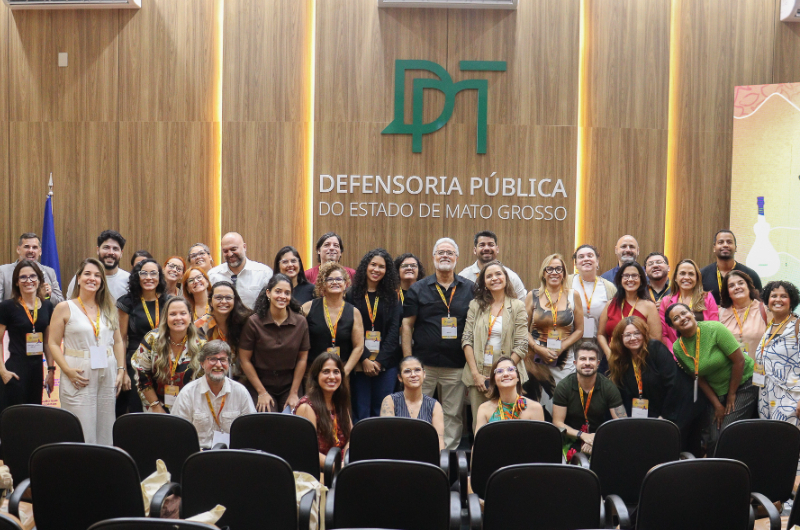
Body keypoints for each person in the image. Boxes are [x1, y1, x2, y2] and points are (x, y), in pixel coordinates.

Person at [402, 238, 475, 450]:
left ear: (457, 258)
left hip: (456, 365)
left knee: (452, 414)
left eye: (449, 252)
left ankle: (447, 455)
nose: (445, 256)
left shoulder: (470, 289)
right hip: (424, 365)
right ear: (434, 257)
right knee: (418, 411)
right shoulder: (418, 289)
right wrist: (409, 361)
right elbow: (407, 326)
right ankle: (420, 452)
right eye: (441, 252)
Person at [48, 258, 128, 445]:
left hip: (107, 371)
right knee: (81, 429)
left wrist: (121, 370)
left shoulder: (109, 307)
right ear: (78, 278)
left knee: (106, 427)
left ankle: (104, 462)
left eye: (97, 276)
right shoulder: (65, 307)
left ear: (102, 281)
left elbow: (118, 341)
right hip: (78, 371)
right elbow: (53, 343)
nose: (92, 278)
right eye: (88, 274)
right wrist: (67, 370)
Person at [608, 316, 707, 455]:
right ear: (620, 338)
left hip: (681, 404)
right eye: (628, 335)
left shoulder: (655, 348)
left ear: (644, 334)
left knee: (671, 446)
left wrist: (664, 417)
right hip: (655, 408)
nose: (633, 338)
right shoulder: (620, 360)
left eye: (637, 333)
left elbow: (674, 384)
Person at [666, 303, 756, 446]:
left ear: (692, 313)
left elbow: (739, 361)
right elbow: (698, 378)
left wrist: (732, 394)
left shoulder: (714, 328)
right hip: (718, 393)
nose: (682, 318)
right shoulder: (678, 347)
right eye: (676, 318)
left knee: (726, 433)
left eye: (684, 313)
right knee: (714, 438)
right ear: (672, 326)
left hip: (744, 384)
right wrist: (717, 405)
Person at [462, 260, 529, 428]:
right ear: (483, 282)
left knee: (510, 424)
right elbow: (467, 339)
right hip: (479, 374)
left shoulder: (517, 306)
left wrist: (504, 371)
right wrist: (475, 374)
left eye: (498, 274)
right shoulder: (476, 305)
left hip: (509, 375)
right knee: (480, 425)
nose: (494, 278)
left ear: (506, 278)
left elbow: (522, 344)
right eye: (489, 276)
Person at [238, 274, 310, 412]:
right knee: (267, 417)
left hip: (290, 384)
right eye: (278, 291)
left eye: (287, 293)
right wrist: (261, 392)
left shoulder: (301, 322)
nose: (282, 296)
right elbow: (244, 360)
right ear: (268, 293)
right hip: (260, 382)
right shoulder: (254, 322)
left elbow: (302, 359)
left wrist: (294, 393)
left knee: (293, 417)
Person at [524, 253, 584, 416]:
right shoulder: (533, 296)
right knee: (538, 402)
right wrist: (537, 348)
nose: (554, 273)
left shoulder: (573, 296)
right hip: (536, 360)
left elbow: (580, 330)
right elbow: (522, 329)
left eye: (559, 269)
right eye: (549, 269)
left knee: (563, 400)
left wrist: (562, 346)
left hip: (563, 359)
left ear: (564, 273)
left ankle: (561, 430)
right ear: (543, 273)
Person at [346, 249, 402, 421]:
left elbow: (394, 331)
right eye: (373, 265)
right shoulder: (351, 294)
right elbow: (348, 329)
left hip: (386, 363)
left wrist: (378, 361)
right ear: (366, 266)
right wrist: (364, 359)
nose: (376, 269)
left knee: (382, 411)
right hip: (359, 362)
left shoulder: (392, 296)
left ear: (387, 270)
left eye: (381, 267)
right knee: (360, 410)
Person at [171, 340, 256, 449]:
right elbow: (177, 434)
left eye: (223, 360)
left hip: (231, 454)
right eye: (212, 359)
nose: (218, 365)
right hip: (199, 454)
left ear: (229, 364)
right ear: (202, 364)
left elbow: (251, 432)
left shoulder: (240, 392)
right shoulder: (187, 393)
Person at [115, 259, 169, 416]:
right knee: (137, 409)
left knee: (163, 408)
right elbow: (121, 339)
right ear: (137, 277)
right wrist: (123, 371)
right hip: (135, 362)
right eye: (144, 273)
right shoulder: (127, 302)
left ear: (159, 277)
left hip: (164, 361)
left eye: (153, 273)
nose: (149, 277)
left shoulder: (168, 301)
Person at [0, 260, 56, 412]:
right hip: (14, 371)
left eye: (32, 276)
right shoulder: (7, 306)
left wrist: (51, 370)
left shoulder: (47, 306)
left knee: (33, 417)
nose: (28, 281)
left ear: (39, 280)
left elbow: (47, 342)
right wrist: (2, 371)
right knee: (13, 418)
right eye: (23, 277)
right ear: (16, 282)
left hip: (37, 371)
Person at [552, 342, 625, 457]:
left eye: (591, 359)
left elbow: (622, 423)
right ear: (575, 363)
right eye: (583, 359)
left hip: (600, 438)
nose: (587, 363)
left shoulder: (609, 387)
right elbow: (557, 423)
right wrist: (583, 435)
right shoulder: (564, 387)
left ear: (598, 363)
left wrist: (595, 438)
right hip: (571, 439)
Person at [133, 298, 205, 413]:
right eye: (172, 314)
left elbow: (203, 382)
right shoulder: (152, 339)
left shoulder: (201, 345)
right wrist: (156, 406)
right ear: (165, 318)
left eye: (183, 313)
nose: (178, 318)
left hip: (190, 407)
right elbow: (142, 374)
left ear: (190, 317)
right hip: (154, 405)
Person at [302, 263, 364, 375]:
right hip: (313, 372)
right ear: (322, 284)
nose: (335, 282)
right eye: (329, 279)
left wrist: (344, 372)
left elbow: (358, 347)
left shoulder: (354, 312)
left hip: (341, 372)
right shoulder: (307, 308)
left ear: (345, 284)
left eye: (339, 279)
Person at [597, 262, 662, 369]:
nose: (630, 279)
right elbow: (600, 335)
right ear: (620, 279)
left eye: (634, 276)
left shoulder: (649, 306)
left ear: (641, 279)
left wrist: (637, 355)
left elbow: (655, 339)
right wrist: (608, 353)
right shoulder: (610, 305)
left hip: (640, 361)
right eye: (626, 276)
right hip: (612, 360)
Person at [293, 353, 353, 467]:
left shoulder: (340, 402)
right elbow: (309, 452)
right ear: (316, 376)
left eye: (336, 372)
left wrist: (346, 463)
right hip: (317, 471)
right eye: (326, 372)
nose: (332, 377)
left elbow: (351, 438)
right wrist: (339, 467)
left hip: (342, 467)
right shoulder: (306, 407)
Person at [756, 281, 800, 432]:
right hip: (767, 397)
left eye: (783, 296)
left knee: (789, 440)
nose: (778, 299)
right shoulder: (770, 326)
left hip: (792, 399)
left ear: (791, 301)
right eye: (773, 296)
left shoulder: (797, 325)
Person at [379, 356, 445, 449]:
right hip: (397, 454)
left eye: (417, 370)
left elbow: (439, 441)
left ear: (424, 374)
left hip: (426, 455)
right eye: (407, 371)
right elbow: (387, 437)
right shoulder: (390, 401)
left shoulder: (434, 405)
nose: (413, 375)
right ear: (400, 377)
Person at [195, 281, 253, 381]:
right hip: (210, 378)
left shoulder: (245, 323)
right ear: (211, 301)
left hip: (241, 379)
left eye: (228, 298)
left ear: (235, 301)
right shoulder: (200, 325)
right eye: (218, 298)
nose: (224, 301)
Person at [659, 259, 719, 350]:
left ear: (697, 278)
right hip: (676, 354)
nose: (687, 277)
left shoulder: (707, 297)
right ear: (675, 278)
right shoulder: (666, 301)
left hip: (704, 352)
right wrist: (675, 353)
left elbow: (714, 328)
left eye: (691, 274)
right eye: (682, 273)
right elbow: (663, 334)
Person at [475, 356, 544, 431]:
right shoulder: (484, 409)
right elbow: (479, 438)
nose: (505, 374)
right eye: (499, 371)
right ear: (494, 380)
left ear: (518, 377)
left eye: (510, 369)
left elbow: (540, 438)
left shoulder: (535, 408)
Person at [207, 232, 273, 309]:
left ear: (244, 247)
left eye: (233, 249)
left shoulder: (264, 273)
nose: (230, 254)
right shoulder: (213, 275)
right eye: (225, 251)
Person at [457, 231, 526, 301]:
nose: (486, 248)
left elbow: (523, 304)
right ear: (475, 250)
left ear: (497, 249)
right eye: (482, 245)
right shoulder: (463, 277)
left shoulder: (511, 277)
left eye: (491, 245)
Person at [701, 230, 762, 305]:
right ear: (714, 247)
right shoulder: (702, 275)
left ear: (735, 248)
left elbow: (760, 304)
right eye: (721, 242)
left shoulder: (750, 275)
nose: (725, 245)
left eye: (729, 242)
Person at [67, 230, 130, 302]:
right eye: (106, 248)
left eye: (115, 249)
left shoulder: (129, 280)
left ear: (121, 253)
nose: (110, 252)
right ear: (98, 250)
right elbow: (70, 305)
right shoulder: (83, 278)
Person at [0, 233, 63, 304]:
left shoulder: (49, 272)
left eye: (34, 247)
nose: (31, 250)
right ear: (18, 249)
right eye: (26, 247)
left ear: (40, 251)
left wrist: (49, 295)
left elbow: (60, 302)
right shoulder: (3, 271)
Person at [719, 271, 768, 360]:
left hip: (758, 367)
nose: (737, 287)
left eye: (741, 283)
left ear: (749, 287)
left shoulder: (765, 310)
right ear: (727, 292)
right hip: (730, 368)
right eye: (731, 286)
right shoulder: (720, 314)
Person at [571, 244, 616, 342]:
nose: (586, 259)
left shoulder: (610, 288)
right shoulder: (566, 283)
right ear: (576, 264)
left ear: (597, 261)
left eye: (590, 256)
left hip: (599, 345)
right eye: (581, 257)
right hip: (570, 345)